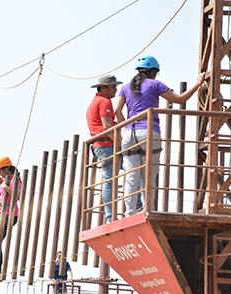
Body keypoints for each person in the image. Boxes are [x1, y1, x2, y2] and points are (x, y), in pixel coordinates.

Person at [114, 55, 205, 217]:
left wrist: (126, 126)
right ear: (154, 72)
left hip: (129, 134)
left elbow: (116, 111)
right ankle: (148, 210)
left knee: (131, 175)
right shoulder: (155, 84)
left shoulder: (125, 87)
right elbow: (179, 99)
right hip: (149, 132)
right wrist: (198, 83)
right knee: (149, 173)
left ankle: (129, 213)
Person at [87, 75, 122, 223]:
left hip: (101, 145)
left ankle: (110, 216)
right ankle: (110, 217)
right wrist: (120, 143)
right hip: (107, 144)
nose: (116, 89)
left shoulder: (95, 102)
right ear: (103, 88)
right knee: (109, 181)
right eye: (113, 86)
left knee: (109, 180)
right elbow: (107, 127)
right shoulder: (104, 101)